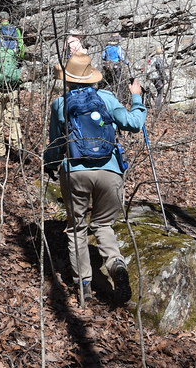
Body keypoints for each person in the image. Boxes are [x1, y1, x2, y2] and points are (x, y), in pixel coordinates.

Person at [44, 53, 146, 306]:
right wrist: (137, 97)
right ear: (91, 77)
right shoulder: (107, 98)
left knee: (77, 227)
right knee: (103, 225)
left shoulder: (60, 103)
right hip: (109, 171)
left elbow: (56, 143)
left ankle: (84, 286)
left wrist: (50, 165)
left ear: (67, 80)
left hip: (75, 172)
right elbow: (133, 124)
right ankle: (115, 265)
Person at [0, 36, 23, 157]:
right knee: (13, 119)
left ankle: (0, 151)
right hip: (12, 91)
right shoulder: (10, 54)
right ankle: (18, 148)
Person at [100, 33, 130, 99]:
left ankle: (107, 96)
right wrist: (127, 62)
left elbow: (103, 56)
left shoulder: (106, 47)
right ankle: (119, 97)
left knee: (109, 82)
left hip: (108, 66)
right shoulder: (117, 47)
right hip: (116, 66)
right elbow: (121, 57)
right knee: (118, 82)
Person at [141, 45, 168, 110]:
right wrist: (166, 78)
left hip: (150, 77)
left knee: (157, 90)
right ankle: (157, 108)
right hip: (156, 77)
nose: (163, 50)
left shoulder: (151, 58)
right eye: (162, 49)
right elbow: (160, 69)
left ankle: (150, 105)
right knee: (160, 91)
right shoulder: (158, 58)